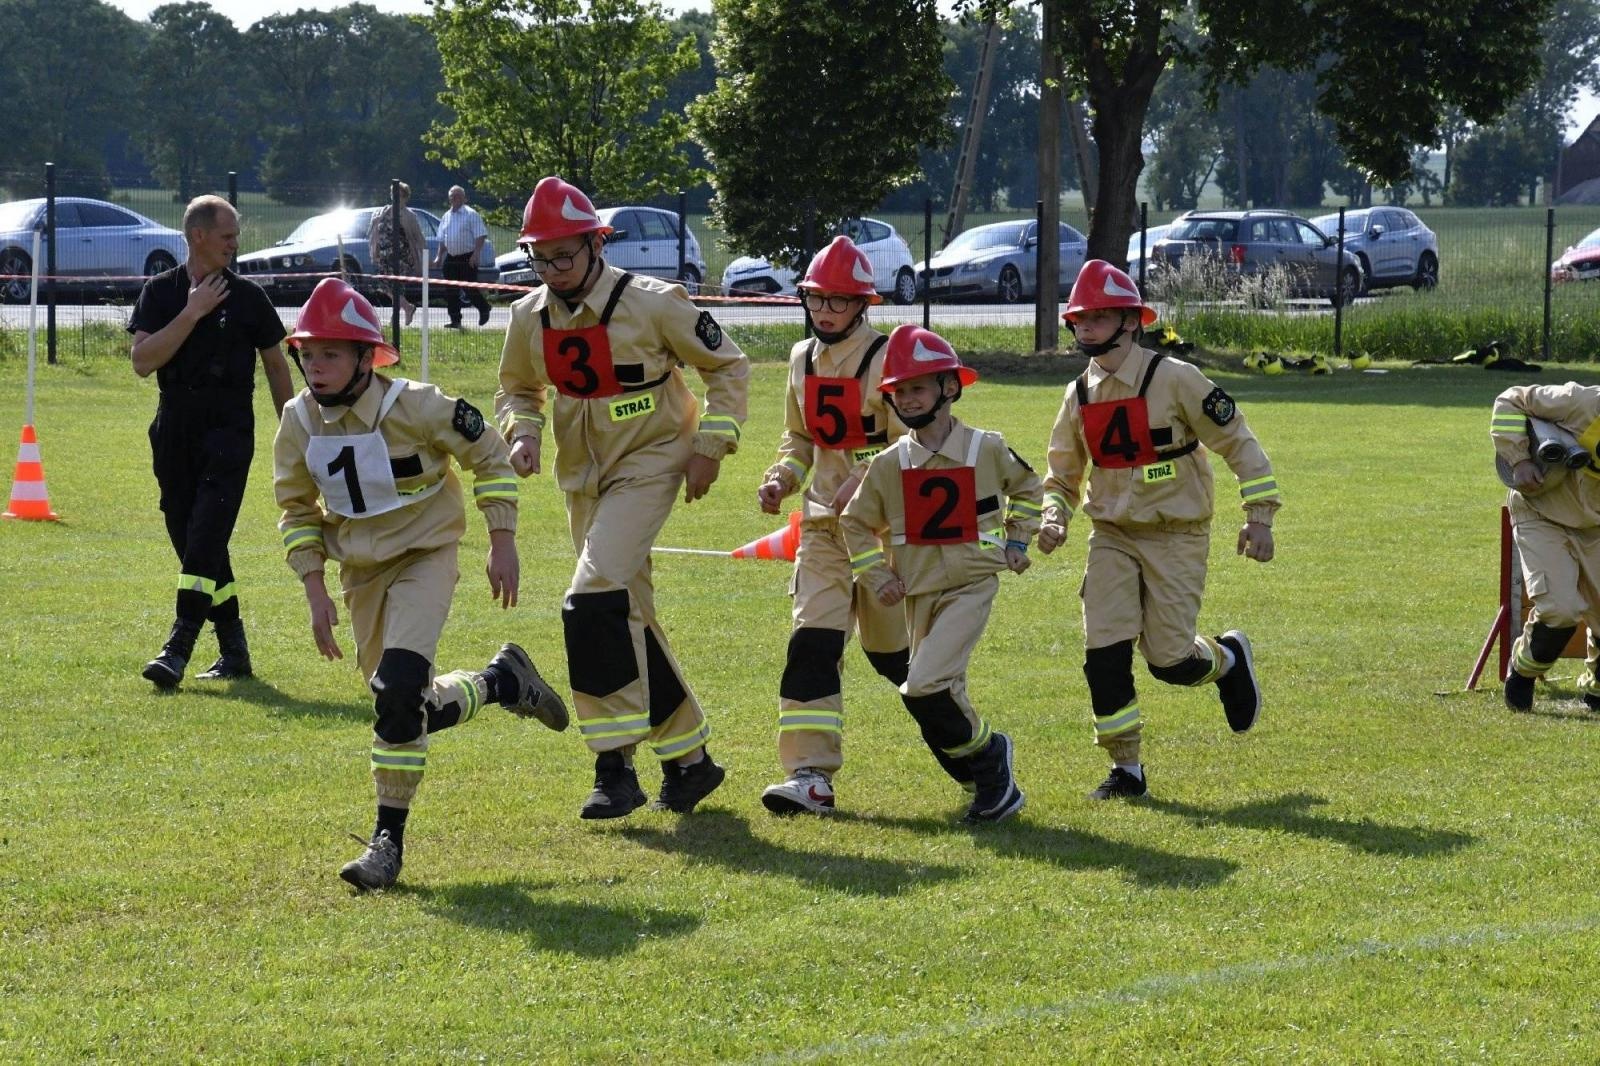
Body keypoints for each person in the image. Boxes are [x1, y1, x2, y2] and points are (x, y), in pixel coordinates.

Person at [273, 277, 568, 891]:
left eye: (331, 352)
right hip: (361, 571)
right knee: (401, 705)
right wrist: (314, 589)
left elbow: (488, 453)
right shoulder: (297, 421)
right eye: (307, 352)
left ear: (365, 356)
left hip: (426, 556)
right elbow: (297, 510)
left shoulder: (419, 405)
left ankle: (387, 843)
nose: (316, 366)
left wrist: (502, 539)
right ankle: (499, 681)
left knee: (399, 686)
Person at [496, 175, 749, 820]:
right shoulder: (528, 317)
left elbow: (729, 366)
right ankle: (690, 763)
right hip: (582, 476)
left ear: (595, 243)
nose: (553, 270)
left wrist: (710, 447)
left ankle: (614, 767)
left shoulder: (657, 303)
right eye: (541, 257)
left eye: (565, 255)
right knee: (627, 612)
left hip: (653, 460)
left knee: (590, 599)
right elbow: (518, 390)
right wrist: (522, 433)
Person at [1037, 260, 1279, 801]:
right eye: (1080, 319)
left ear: (1131, 321)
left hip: (1177, 534)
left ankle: (1228, 659)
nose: (1087, 329)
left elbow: (1238, 440)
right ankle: (1127, 770)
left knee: (1169, 661)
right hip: (1112, 534)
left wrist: (1258, 516)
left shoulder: (1176, 378)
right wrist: (1054, 516)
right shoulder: (1078, 395)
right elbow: (1061, 474)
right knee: (1103, 650)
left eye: (1099, 318)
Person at [839, 324, 1039, 824]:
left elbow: (1031, 488)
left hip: (972, 585)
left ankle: (992, 759)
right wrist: (877, 577)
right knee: (944, 689)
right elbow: (855, 524)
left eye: (918, 388)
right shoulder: (887, 466)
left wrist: (1017, 540)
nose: (907, 399)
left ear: (950, 388)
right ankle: (991, 785)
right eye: (898, 391)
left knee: (922, 686)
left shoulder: (987, 448)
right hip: (918, 595)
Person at [754, 236, 911, 815]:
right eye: (816, 299)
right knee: (811, 643)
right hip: (822, 532)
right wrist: (782, 478)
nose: (824, 311)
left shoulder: (893, 359)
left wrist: (862, 479)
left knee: (898, 661)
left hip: (885, 536)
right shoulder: (799, 359)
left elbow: (914, 444)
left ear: (862, 304)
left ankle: (978, 754)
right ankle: (810, 775)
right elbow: (801, 439)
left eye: (838, 302)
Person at [130, 194, 295, 689]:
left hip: (229, 433)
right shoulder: (160, 292)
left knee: (205, 538)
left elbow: (275, 363)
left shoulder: (249, 297)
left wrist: (292, 431)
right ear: (197, 236)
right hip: (173, 431)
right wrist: (193, 312)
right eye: (227, 235)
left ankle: (178, 645)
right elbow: (142, 362)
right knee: (194, 543)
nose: (235, 244)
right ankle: (234, 646)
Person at [1489, 382, 1600, 712]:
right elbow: (1509, 400)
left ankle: (1596, 687)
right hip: (1542, 514)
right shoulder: (1580, 400)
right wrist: (1519, 459)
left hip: (1594, 523)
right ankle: (1522, 672)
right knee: (1561, 609)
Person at [433, 184, 492, 329]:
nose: (455, 198)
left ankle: (484, 308)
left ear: (464, 198)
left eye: (458, 195)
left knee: (469, 288)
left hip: (467, 257)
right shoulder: (446, 216)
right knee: (451, 291)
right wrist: (439, 257)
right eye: (452, 196)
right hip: (451, 258)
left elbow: (481, 235)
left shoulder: (471, 214)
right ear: (449, 199)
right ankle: (455, 320)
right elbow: (442, 239)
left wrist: (476, 254)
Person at [368, 182, 426, 326]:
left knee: (394, 286)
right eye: (393, 194)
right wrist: (374, 250)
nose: (395, 198)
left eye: (399, 195)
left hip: (402, 257)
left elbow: (419, 238)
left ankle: (402, 312)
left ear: (405, 197)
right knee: (386, 285)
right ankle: (406, 309)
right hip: (383, 256)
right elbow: (372, 232)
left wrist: (424, 259)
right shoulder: (382, 212)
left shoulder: (409, 216)